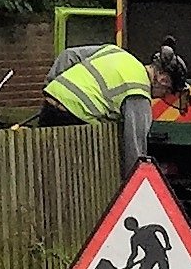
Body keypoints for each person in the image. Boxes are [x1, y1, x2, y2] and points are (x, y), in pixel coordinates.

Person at [39, 41, 155, 174]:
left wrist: (51, 87)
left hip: (50, 103)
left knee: (43, 166)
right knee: (73, 176)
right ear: (164, 80)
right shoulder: (140, 91)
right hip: (76, 121)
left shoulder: (115, 51)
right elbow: (134, 145)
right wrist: (134, 180)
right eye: (166, 93)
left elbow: (68, 55)